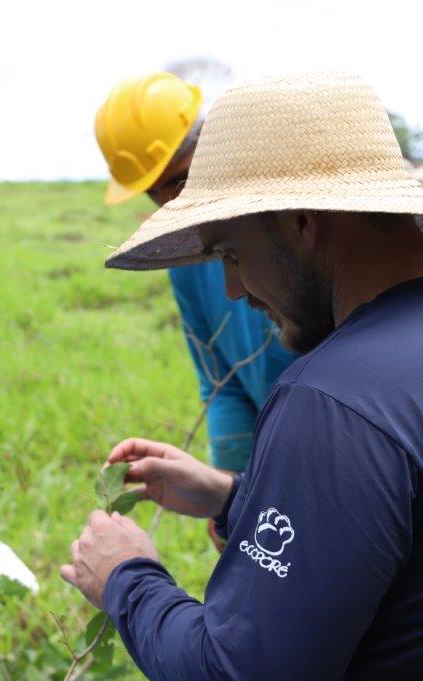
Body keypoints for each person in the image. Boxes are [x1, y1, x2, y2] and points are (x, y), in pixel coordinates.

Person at [62, 71, 423, 678]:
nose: (232, 288)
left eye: (231, 252)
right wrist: (240, 497)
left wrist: (129, 579)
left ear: (302, 222)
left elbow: (238, 669)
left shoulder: (331, 401)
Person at [95, 73, 297, 479]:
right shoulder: (187, 267)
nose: (175, 202)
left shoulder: (292, 228)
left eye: (181, 179)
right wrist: (233, 485)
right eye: (156, 191)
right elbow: (221, 381)